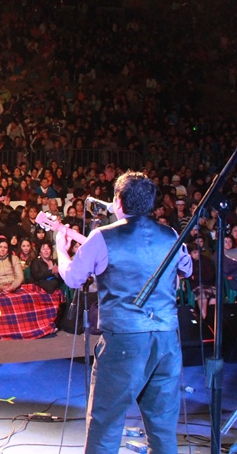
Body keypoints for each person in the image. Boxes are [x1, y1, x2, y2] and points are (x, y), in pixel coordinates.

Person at [56, 171, 192, 454]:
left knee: (105, 427)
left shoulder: (102, 237)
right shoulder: (170, 234)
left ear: (118, 200)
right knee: (162, 430)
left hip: (125, 341)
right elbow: (187, 269)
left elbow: (73, 278)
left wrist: (60, 247)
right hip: (167, 340)